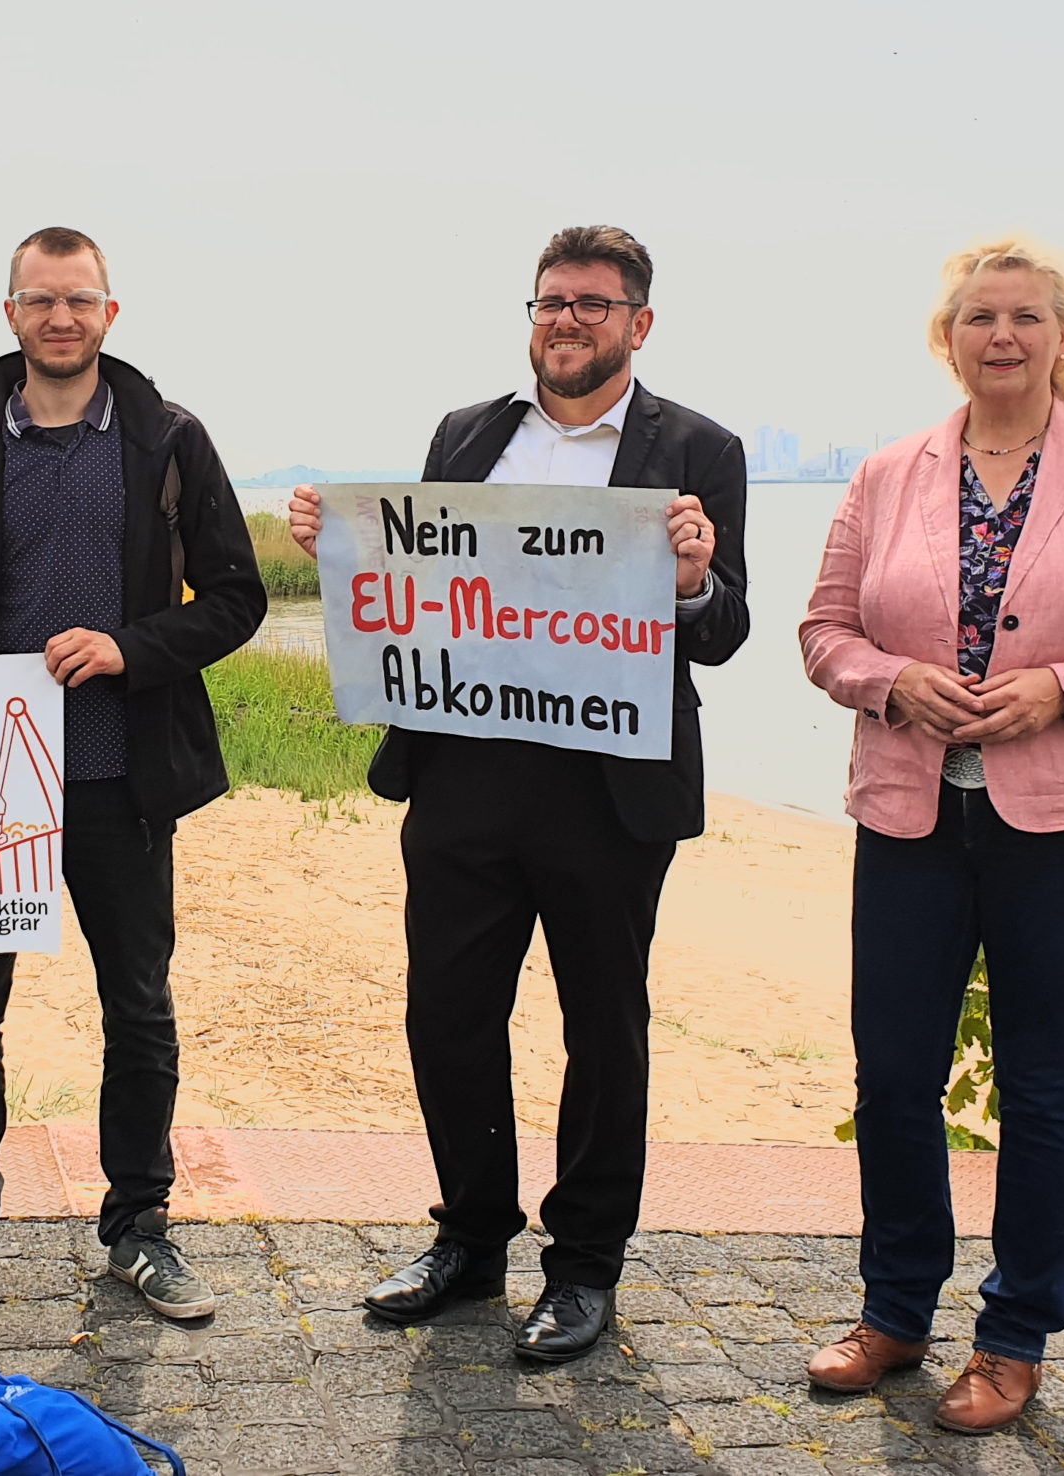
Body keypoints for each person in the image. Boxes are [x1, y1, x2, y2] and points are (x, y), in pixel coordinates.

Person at [288, 225, 749, 1361]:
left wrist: (692, 582)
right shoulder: (467, 431)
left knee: (602, 1028)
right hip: (462, 775)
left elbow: (729, 629)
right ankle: (471, 1235)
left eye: (593, 303)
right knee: (446, 1013)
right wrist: (342, 551)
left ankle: (584, 1266)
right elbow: (427, 579)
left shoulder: (699, 446)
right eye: (550, 301)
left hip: (609, 789)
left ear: (638, 324)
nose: (567, 320)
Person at [798, 238, 1064, 1433]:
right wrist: (889, 683)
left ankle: (1012, 1338)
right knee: (892, 1078)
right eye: (979, 317)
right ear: (948, 338)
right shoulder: (885, 474)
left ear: (1061, 337)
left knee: (1039, 1088)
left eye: (1026, 318)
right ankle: (892, 1314)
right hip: (911, 813)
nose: (1002, 336)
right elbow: (824, 631)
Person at [0, 227, 266, 1321]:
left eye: (79, 301)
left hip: (121, 773)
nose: (60, 318)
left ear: (111, 314)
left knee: (136, 1006)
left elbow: (237, 598)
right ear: (9, 314)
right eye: (39, 301)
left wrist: (128, 648)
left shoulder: (168, 440)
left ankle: (139, 1228)